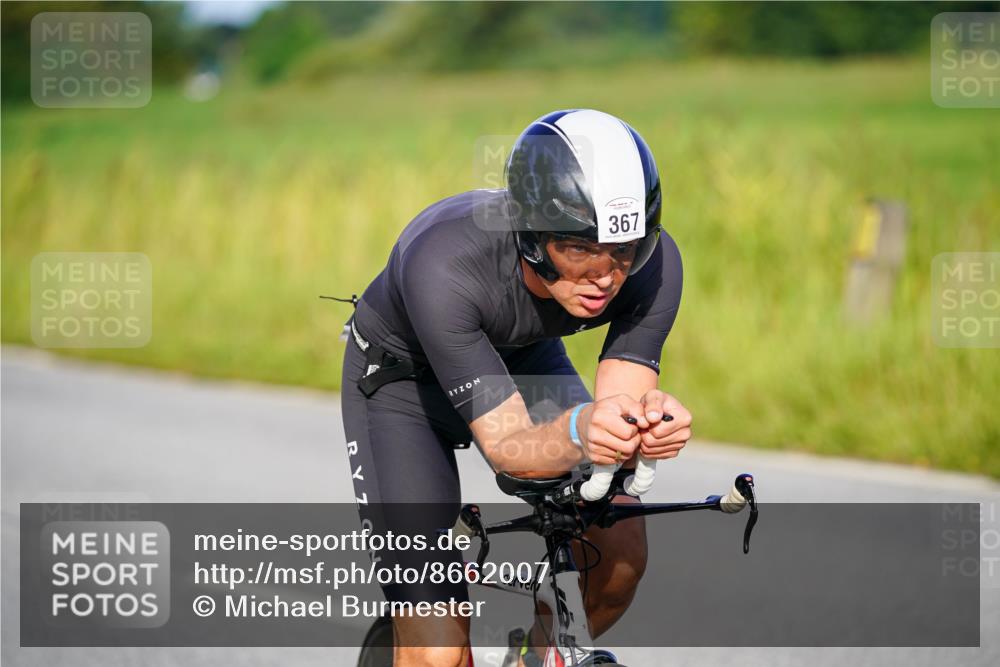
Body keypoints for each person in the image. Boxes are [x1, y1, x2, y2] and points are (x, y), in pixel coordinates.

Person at [340, 109, 691, 667]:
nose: (605, 275)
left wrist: (646, 426)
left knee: (620, 546)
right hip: (403, 386)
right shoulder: (445, 264)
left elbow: (621, 407)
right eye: (579, 248)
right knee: (437, 653)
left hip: (522, 359)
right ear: (531, 237)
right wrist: (581, 428)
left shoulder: (654, 264)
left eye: (623, 250)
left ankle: (535, 655)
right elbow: (512, 451)